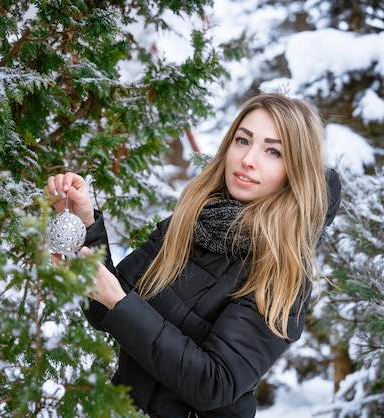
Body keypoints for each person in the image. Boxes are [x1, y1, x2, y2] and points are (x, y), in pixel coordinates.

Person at [45, 93, 342, 417]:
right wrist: (86, 228)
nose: (248, 159)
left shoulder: (283, 271)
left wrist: (119, 302)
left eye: (273, 151)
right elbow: (108, 312)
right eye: (243, 141)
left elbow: (214, 384)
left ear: (296, 169)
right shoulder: (190, 222)